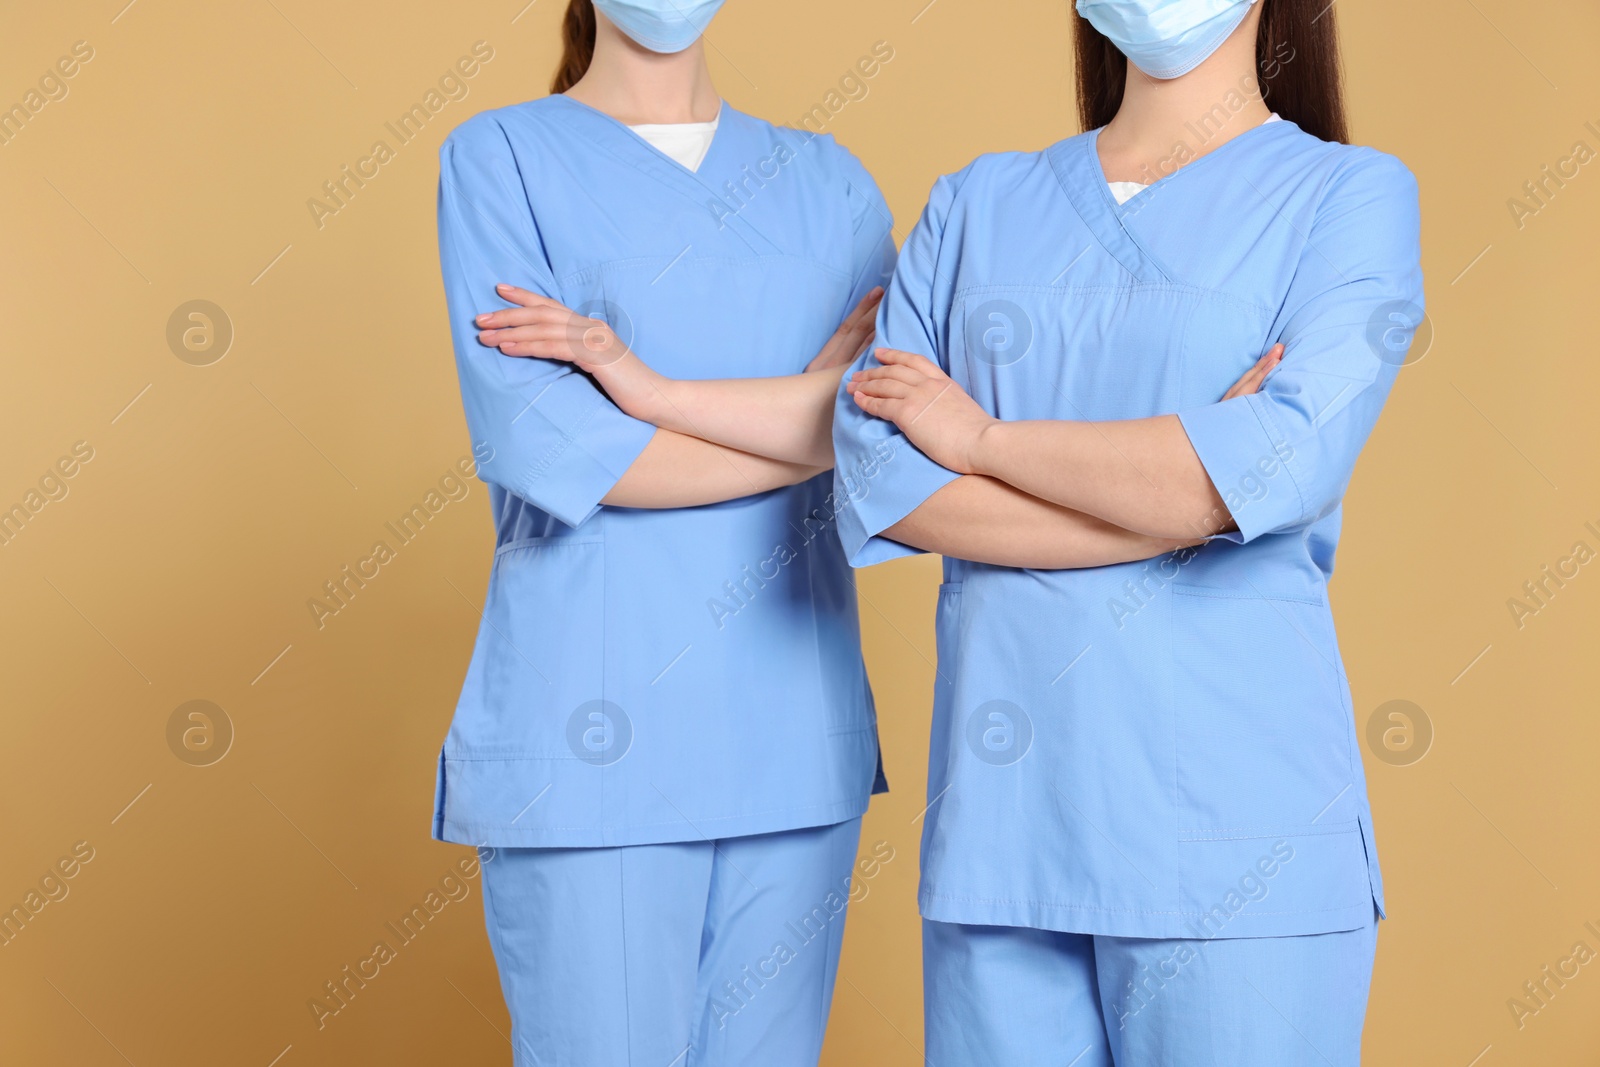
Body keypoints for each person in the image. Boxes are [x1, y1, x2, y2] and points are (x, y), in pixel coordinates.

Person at [832, 0, 1423, 1063]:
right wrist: (1180, 497)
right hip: (1005, 844)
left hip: (1238, 840)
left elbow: (1269, 466)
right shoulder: (975, 204)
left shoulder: (1348, 196)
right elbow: (888, 482)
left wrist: (980, 436)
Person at [430, 2, 893, 1063]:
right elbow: (565, 452)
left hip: (792, 735)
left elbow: (898, 433)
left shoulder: (831, 186)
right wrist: (812, 421)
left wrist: (646, 389)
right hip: (595, 741)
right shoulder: (502, 160)